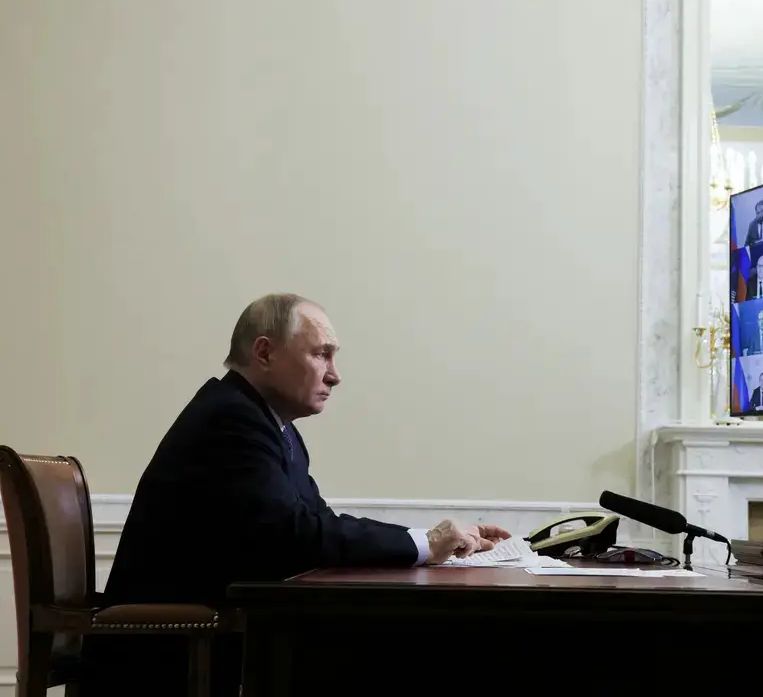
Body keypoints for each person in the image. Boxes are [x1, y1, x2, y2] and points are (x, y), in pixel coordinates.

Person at [82, 293, 511, 696]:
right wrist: (425, 543)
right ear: (265, 353)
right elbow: (294, 534)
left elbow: (315, 521)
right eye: (321, 353)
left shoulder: (270, 424)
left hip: (232, 632)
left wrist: (428, 540)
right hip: (173, 655)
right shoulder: (231, 419)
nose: (335, 375)